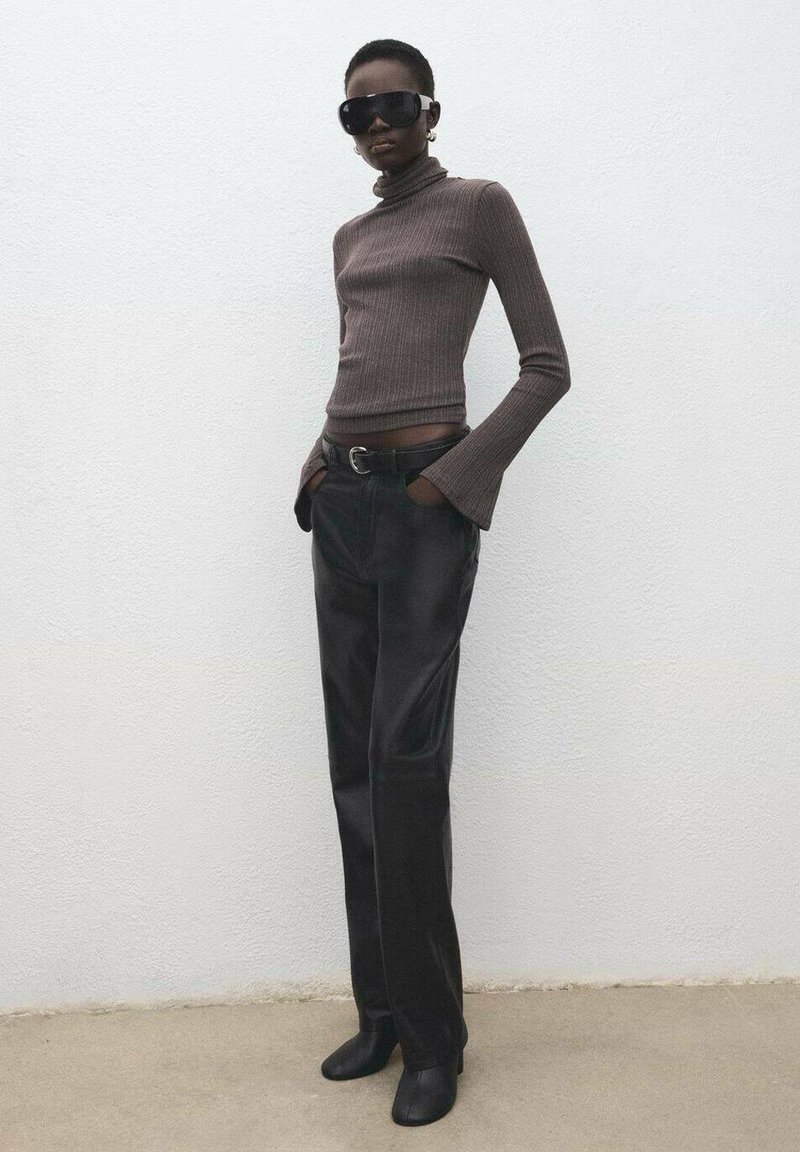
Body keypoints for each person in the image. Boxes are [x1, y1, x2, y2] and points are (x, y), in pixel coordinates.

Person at [294, 39, 571, 1127]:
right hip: (343, 502)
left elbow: (547, 365)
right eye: (355, 112)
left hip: (423, 507)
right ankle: (381, 1014)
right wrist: (317, 460)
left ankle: (435, 1040)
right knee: (353, 768)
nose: (376, 123)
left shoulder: (478, 207)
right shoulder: (350, 236)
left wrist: (452, 481)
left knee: (404, 767)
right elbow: (359, 357)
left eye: (393, 103)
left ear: (429, 109)